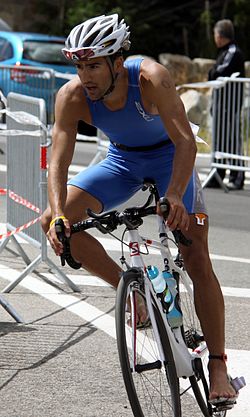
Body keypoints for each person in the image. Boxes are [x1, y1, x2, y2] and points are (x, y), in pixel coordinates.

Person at [41, 14, 237, 404]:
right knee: (55, 223)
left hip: (169, 158)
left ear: (117, 61)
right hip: (122, 162)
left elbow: (185, 143)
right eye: (79, 66)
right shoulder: (72, 96)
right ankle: (132, 296)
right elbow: (59, 162)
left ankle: (218, 366)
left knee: (195, 252)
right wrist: (60, 212)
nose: (86, 76)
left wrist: (177, 196)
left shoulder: (151, 78)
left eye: (94, 64)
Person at [207, 19, 245, 190]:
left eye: (215, 34)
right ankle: (218, 174)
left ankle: (238, 177)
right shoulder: (225, 51)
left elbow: (218, 72)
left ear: (221, 36)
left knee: (231, 140)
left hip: (229, 105)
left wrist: (212, 73)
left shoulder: (233, 51)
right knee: (220, 140)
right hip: (221, 104)